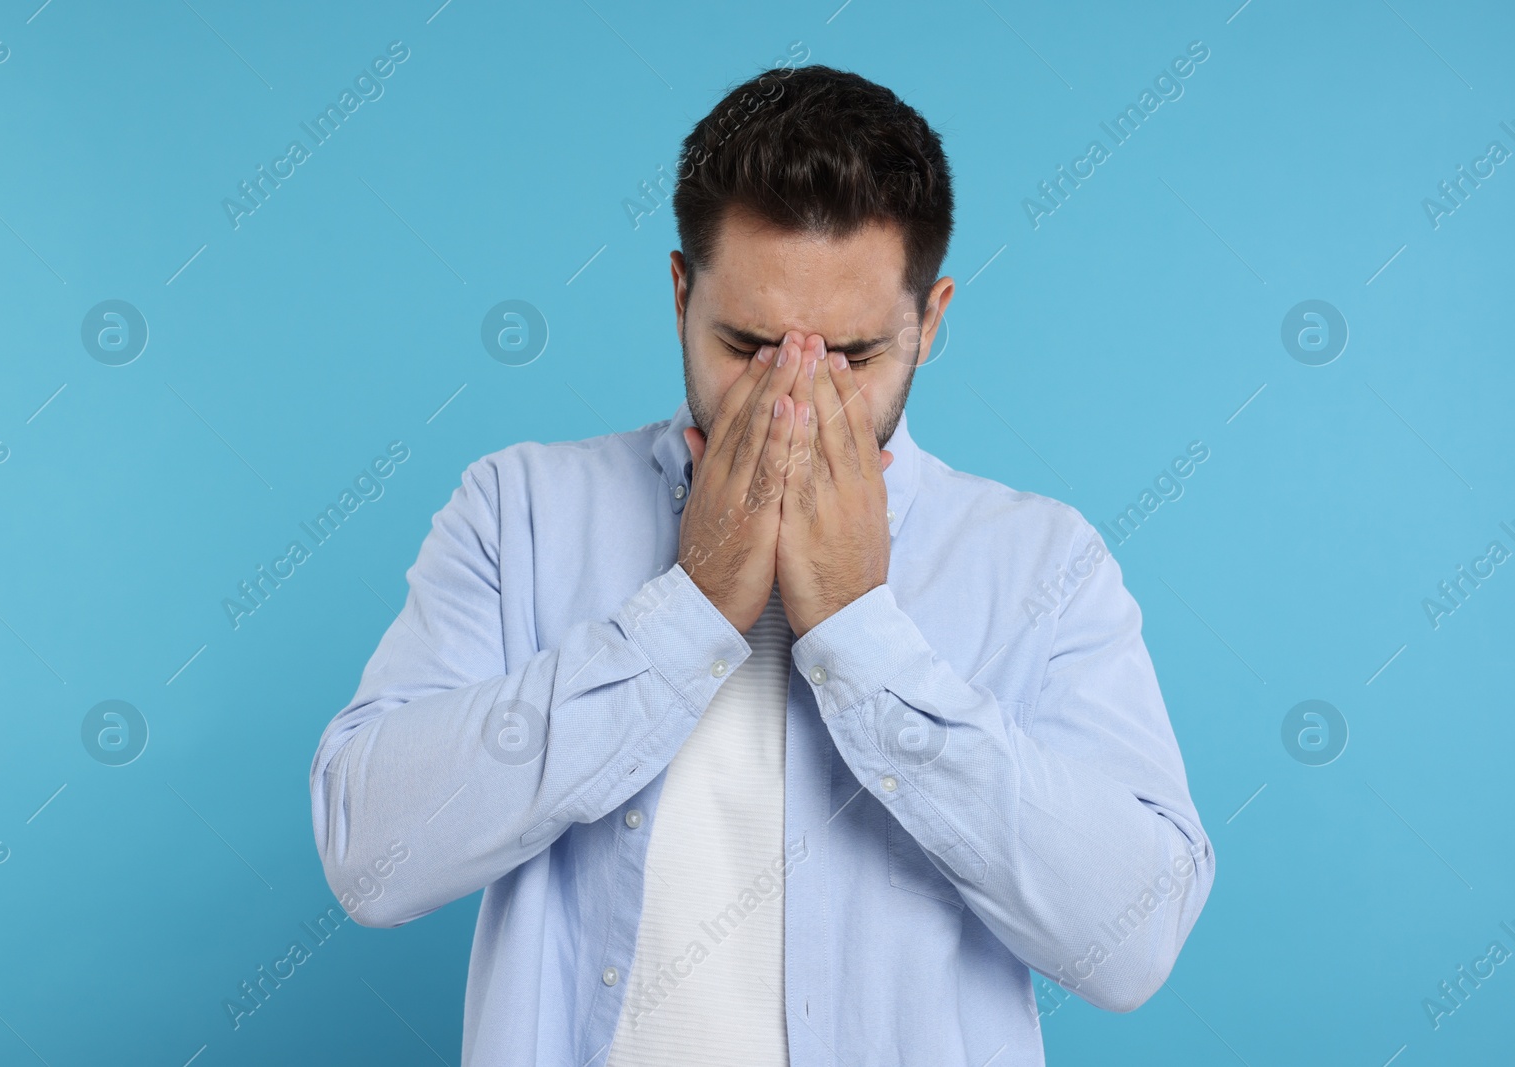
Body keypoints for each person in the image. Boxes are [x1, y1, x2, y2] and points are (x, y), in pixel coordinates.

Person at [309, 63, 1213, 1067]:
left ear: (932, 319)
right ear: (679, 292)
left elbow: (1130, 941)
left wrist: (862, 636)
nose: (793, 398)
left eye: (854, 357)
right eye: (747, 344)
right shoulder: (518, 510)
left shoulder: (1043, 562)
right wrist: (685, 612)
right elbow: (370, 856)